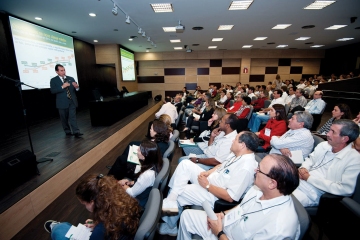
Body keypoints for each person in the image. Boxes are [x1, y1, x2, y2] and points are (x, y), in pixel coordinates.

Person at [177, 154, 300, 240]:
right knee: (187, 216)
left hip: (224, 236)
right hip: (227, 225)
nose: (255, 170)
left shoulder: (278, 229)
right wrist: (223, 214)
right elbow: (241, 207)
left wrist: (219, 233)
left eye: (260, 170)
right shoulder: (257, 189)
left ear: (272, 183)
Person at [158, 131, 259, 236]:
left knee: (180, 191)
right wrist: (208, 172)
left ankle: (170, 225)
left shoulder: (246, 167)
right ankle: (170, 200)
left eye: (236, 139)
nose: (232, 140)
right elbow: (220, 166)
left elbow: (230, 197)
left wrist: (207, 185)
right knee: (185, 164)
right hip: (209, 181)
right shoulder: (236, 154)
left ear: (242, 145)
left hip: (214, 195)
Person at [44, 174, 141, 240]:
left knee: (59, 231)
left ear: (92, 202)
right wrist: (97, 224)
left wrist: (98, 228)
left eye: (84, 204)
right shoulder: (126, 203)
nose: (85, 207)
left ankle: (55, 227)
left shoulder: (101, 230)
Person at [293, 119, 360, 207]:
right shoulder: (323, 145)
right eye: (329, 130)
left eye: (333, 132)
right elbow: (310, 160)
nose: (328, 134)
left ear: (345, 138)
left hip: (313, 192)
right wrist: (303, 168)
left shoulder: (354, 159)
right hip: (298, 181)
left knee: (278, 202)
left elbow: (346, 189)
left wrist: (309, 178)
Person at [117, 140, 163, 207]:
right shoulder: (154, 164)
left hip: (136, 202)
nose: (137, 151)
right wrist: (130, 182)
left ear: (145, 156)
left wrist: (122, 185)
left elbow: (132, 193)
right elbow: (143, 184)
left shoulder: (147, 174)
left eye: (139, 150)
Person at [50, 64, 83, 137]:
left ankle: (76, 132)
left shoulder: (71, 78)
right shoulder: (53, 80)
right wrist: (62, 87)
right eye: (61, 70)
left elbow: (76, 89)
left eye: (64, 70)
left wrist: (77, 87)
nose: (63, 72)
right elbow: (53, 91)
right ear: (57, 71)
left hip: (72, 101)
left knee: (73, 117)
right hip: (62, 103)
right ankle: (67, 131)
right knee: (64, 119)